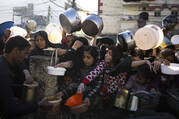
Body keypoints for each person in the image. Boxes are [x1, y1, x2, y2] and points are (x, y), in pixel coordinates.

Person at [0, 36, 52, 119]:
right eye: (25, 53)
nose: (26, 57)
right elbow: (10, 109)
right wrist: (38, 104)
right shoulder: (3, 73)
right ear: (16, 51)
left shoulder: (5, 62)